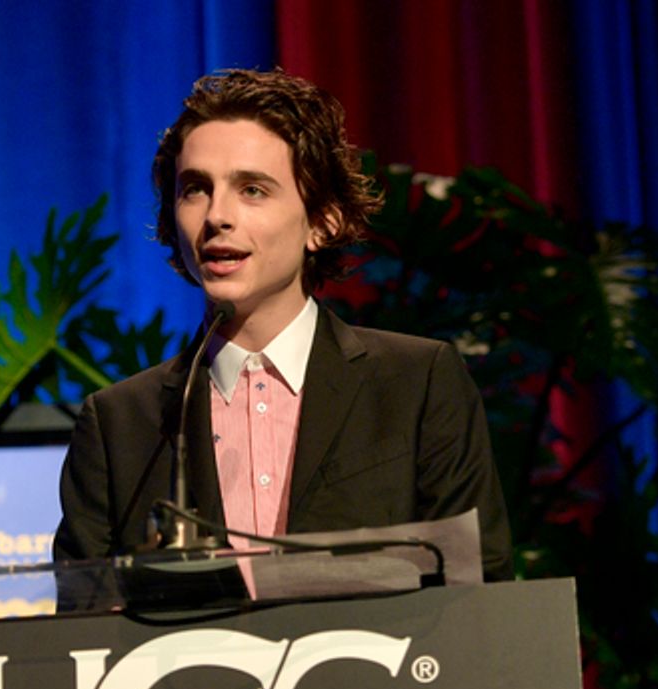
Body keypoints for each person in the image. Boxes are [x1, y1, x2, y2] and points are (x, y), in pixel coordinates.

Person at [53, 68, 512, 584]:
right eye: (195, 189)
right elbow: (87, 615)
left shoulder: (416, 383)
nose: (217, 216)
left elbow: (477, 588)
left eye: (252, 189)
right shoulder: (120, 424)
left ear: (322, 222)